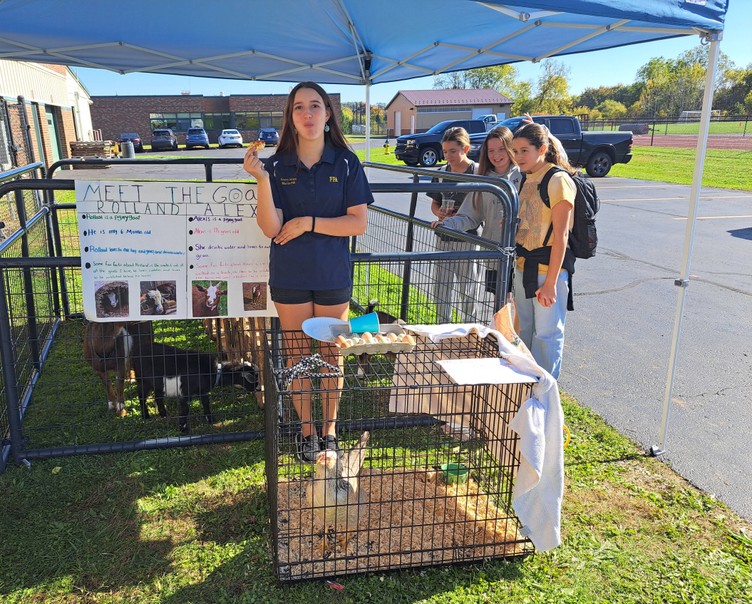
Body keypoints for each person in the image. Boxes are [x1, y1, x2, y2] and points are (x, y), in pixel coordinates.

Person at [243, 81, 374, 462]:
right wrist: (262, 180)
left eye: (315, 106)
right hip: (290, 275)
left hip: (332, 274)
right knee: (299, 355)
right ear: (291, 117)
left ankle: (330, 432)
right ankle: (306, 432)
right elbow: (270, 228)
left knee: (332, 355)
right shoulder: (277, 165)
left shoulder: (347, 162)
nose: (307, 114)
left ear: (328, 114)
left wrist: (308, 223)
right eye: (299, 107)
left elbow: (357, 224)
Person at [432, 126, 521, 314]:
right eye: (491, 150)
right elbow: (470, 214)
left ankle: (513, 340)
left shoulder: (522, 175)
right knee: (501, 304)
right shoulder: (484, 179)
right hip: (496, 252)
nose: (496, 155)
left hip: (522, 253)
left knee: (522, 308)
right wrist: (446, 224)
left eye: (501, 149)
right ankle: (495, 339)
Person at [511, 122, 576, 379]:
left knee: (547, 335)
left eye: (524, 150)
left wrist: (550, 283)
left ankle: (546, 389)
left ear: (543, 149)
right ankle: (525, 384)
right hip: (522, 267)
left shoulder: (557, 180)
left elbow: (561, 236)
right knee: (524, 329)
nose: (518, 157)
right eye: (515, 151)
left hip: (548, 271)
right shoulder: (524, 179)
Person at [427, 127, 479, 323]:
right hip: (444, 236)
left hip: (468, 237)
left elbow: (481, 206)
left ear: (465, 149)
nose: (448, 156)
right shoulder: (441, 172)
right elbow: (435, 202)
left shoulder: (477, 171)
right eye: (445, 151)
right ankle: (443, 328)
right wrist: (438, 212)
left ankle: (469, 328)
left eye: (453, 151)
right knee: (441, 286)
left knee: (468, 286)